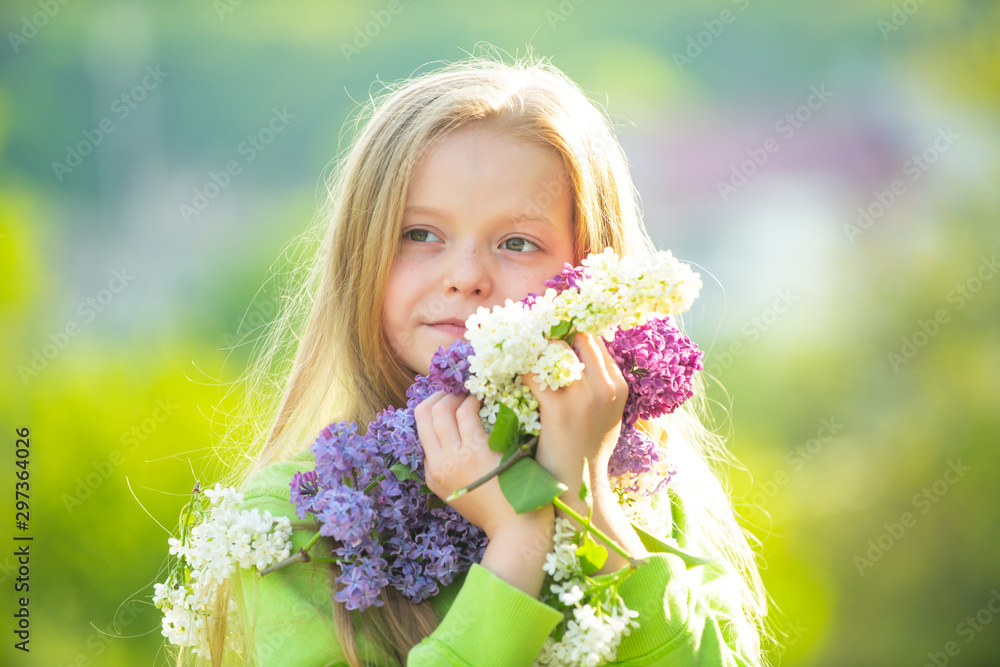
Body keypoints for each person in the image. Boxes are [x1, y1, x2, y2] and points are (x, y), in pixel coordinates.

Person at [186, 50, 770, 666]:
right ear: (362, 257)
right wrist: (518, 546)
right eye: (420, 234)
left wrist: (586, 502)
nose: (465, 276)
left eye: (517, 243)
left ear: (591, 274)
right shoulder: (298, 522)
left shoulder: (648, 496)